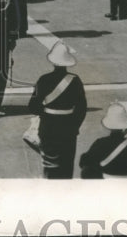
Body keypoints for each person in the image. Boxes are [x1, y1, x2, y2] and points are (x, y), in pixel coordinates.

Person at [27, 41, 87, 179]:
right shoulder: (75, 80)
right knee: (66, 165)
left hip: (48, 127)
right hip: (68, 128)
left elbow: (32, 106)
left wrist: (45, 113)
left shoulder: (43, 80)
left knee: (50, 165)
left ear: (53, 62)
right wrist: (75, 125)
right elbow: (81, 109)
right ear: (67, 63)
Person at [79, 103, 127, 179]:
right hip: (125, 185)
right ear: (125, 127)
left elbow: (83, 162)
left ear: (109, 126)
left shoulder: (100, 143)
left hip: (104, 184)